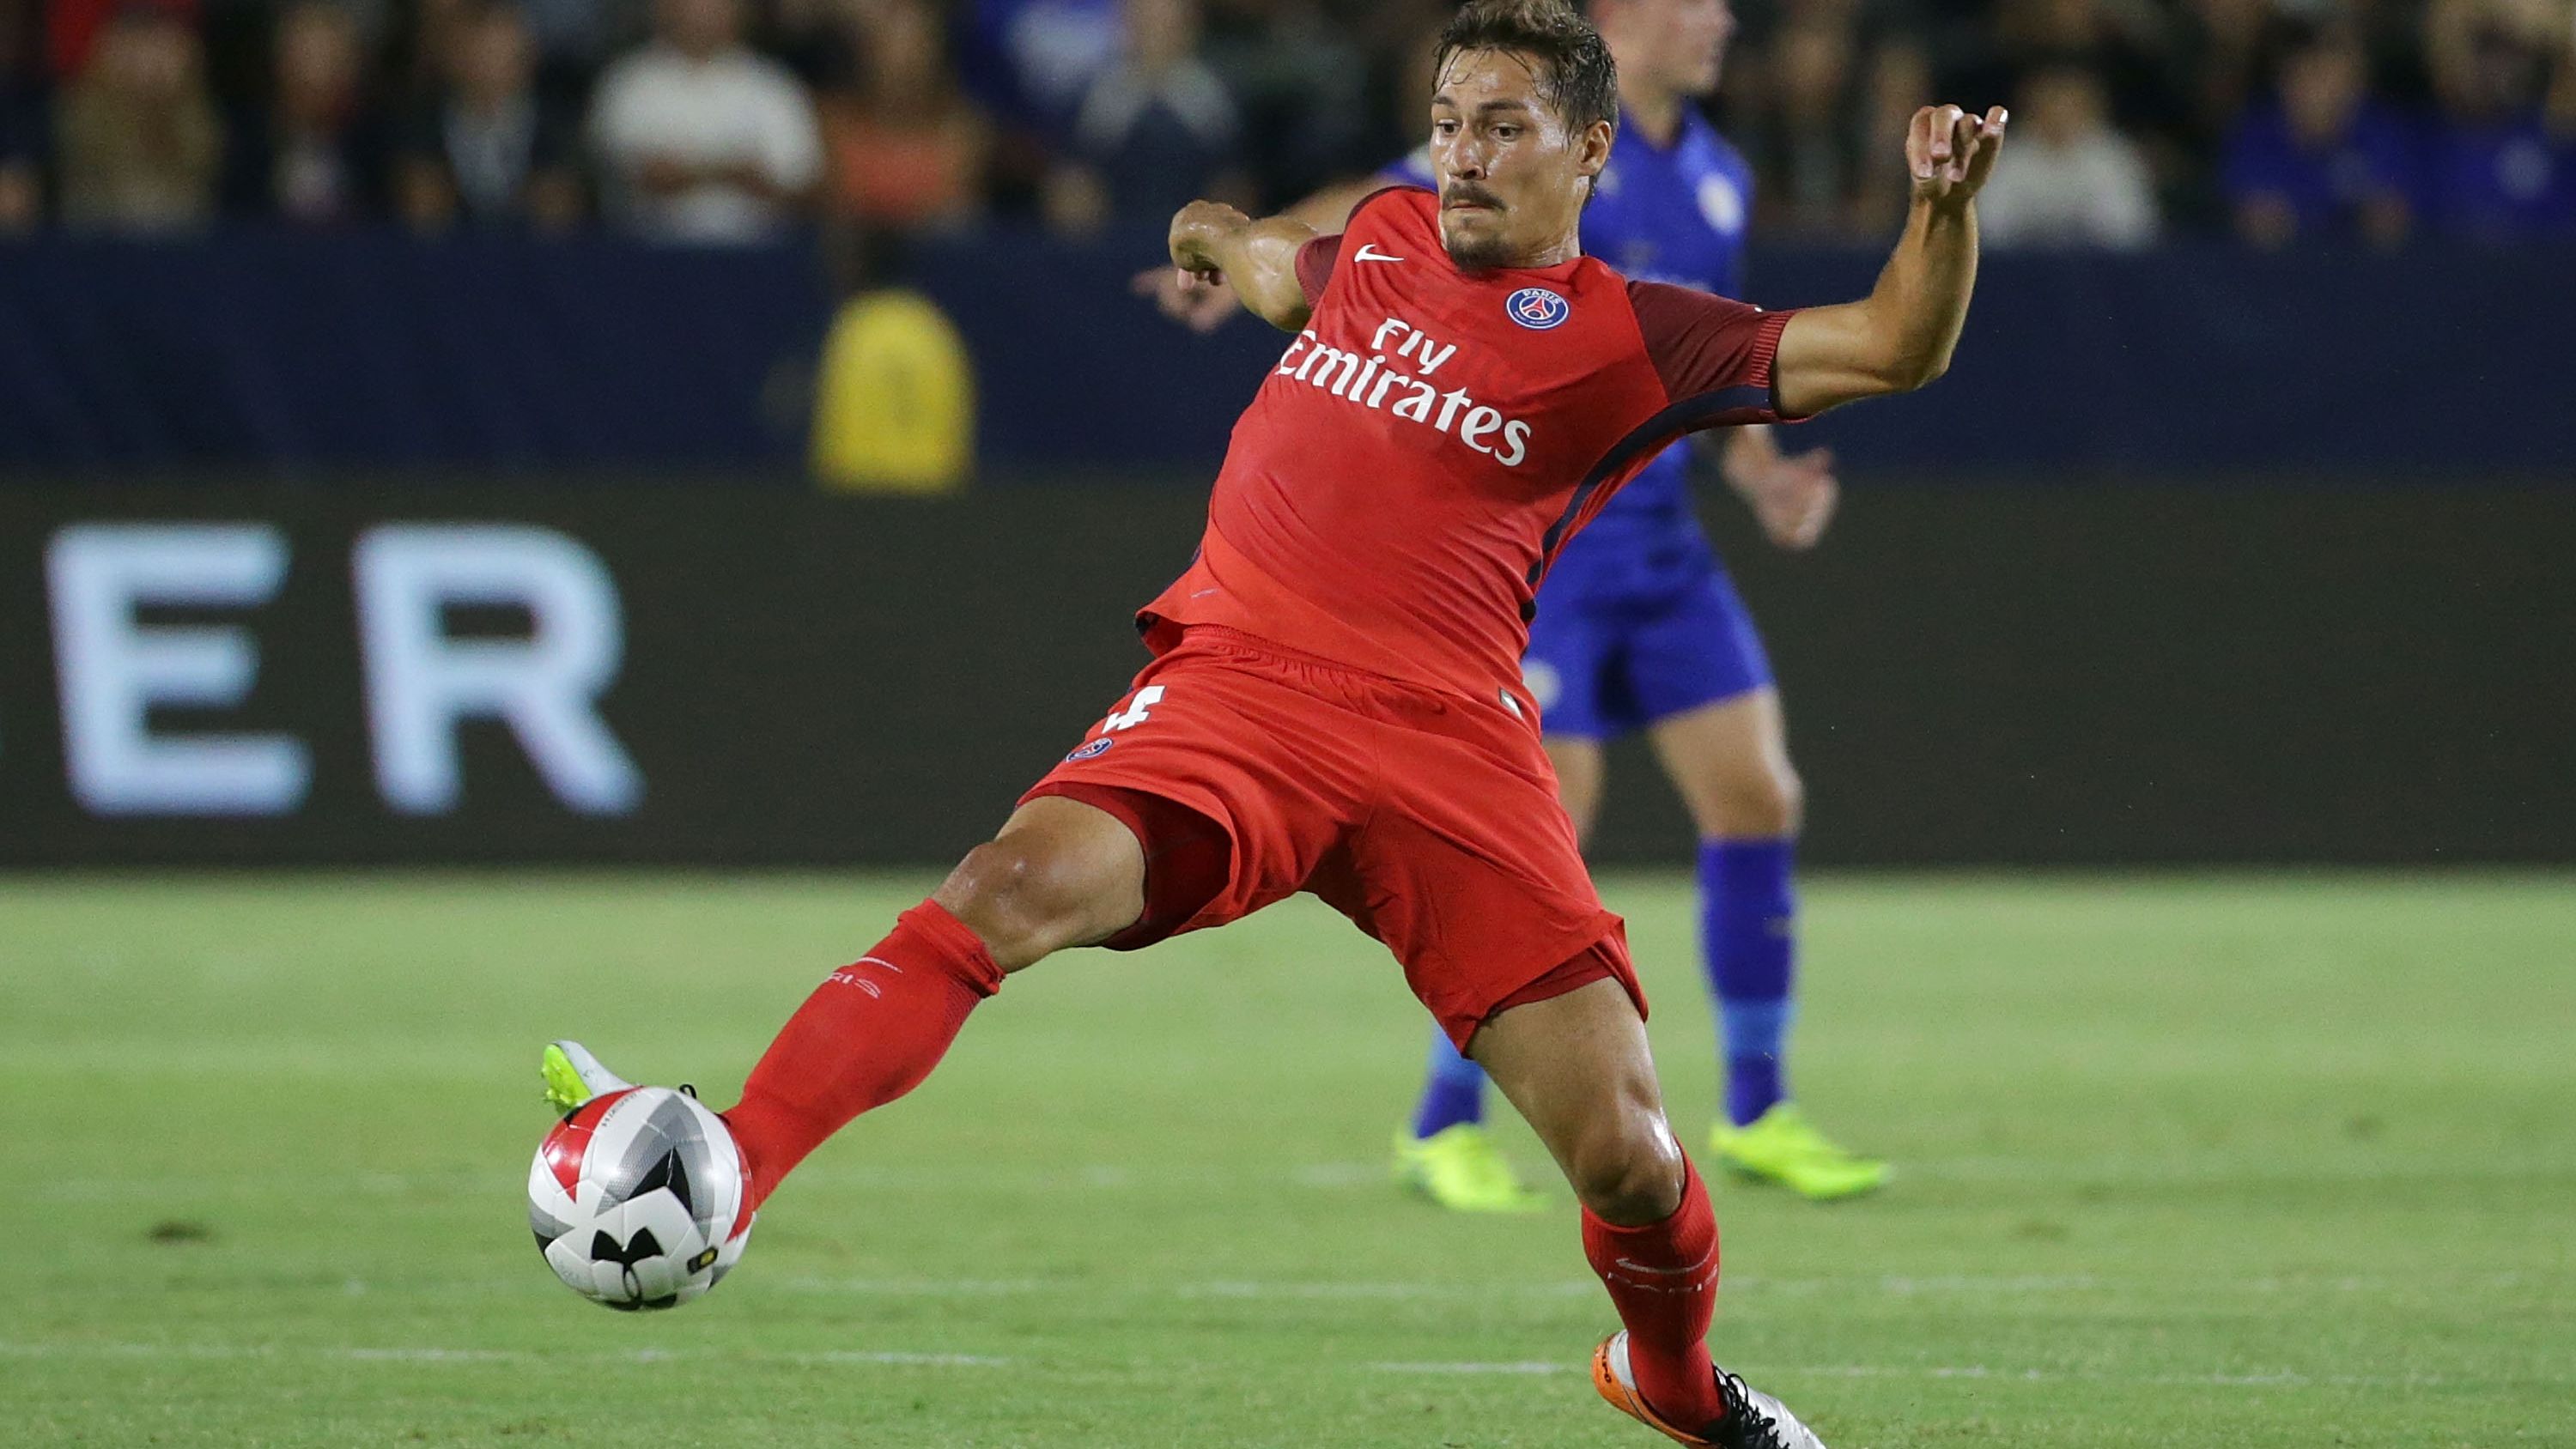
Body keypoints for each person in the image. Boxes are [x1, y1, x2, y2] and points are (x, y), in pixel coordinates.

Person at [544, 1, 2005, 1441]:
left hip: (1449, 742)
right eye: (1447, 124)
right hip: (1238, 693)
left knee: (1627, 1152)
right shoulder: (1378, 241)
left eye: (1503, 125)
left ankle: (1672, 1379)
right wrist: (1204, 228)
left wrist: (1940, 211)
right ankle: (731, 1166)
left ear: (1592, 147)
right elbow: (1261, 263)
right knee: (1004, 888)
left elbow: (1892, 347)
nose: (1463, 154)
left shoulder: (1636, 335)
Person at [1144, 0, 1888, 1211]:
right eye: (1692, 4)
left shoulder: (1717, 176)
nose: (1720, 23)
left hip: (1667, 551)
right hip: (1535, 553)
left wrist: (1760, 478)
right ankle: (1443, 1123)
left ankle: (1759, 1107)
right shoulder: (1517, 138)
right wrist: (1240, 263)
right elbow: (1373, 208)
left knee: (1759, 792)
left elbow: (1714, 374)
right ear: (1624, 19)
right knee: (1554, 827)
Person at [587, 0, 823, 244]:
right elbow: (643, 177)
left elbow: (801, 186)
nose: (703, 11)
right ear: (664, 8)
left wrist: (691, 172)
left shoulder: (774, 86)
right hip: (649, 254)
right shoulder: (628, 84)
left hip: (755, 255)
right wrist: (733, 171)